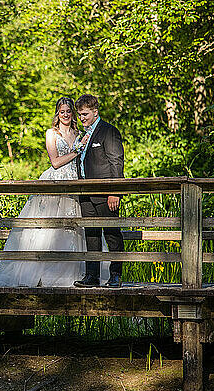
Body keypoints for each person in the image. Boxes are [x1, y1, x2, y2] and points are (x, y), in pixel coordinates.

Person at [0, 97, 110, 287]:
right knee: (49, 228)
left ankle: (77, 273)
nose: (65, 115)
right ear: (57, 113)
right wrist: (77, 150)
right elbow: (55, 162)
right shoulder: (51, 133)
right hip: (56, 181)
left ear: (73, 113)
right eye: (62, 111)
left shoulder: (79, 133)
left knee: (75, 228)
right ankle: (44, 271)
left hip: (75, 181)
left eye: (69, 111)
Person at [73, 94, 125, 288]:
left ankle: (115, 275)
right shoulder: (83, 135)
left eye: (85, 114)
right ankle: (92, 275)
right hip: (85, 193)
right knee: (91, 234)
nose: (82, 118)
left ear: (95, 112)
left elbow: (116, 163)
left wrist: (115, 192)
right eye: (79, 114)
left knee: (112, 233)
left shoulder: (108, 131)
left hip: (106, 193)